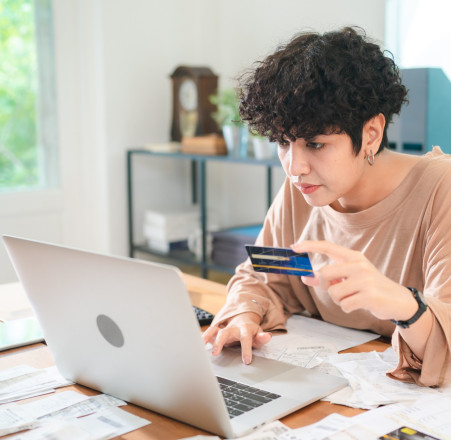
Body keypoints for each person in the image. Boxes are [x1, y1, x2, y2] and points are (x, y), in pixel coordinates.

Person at [202, 27, 451, 387]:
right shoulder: (302, 188)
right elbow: (261, 275)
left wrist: (402, 304)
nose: (294, 165)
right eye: (283, 142)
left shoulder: (441, 190)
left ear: (371, 133)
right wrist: (245, 314)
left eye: (315, 144)